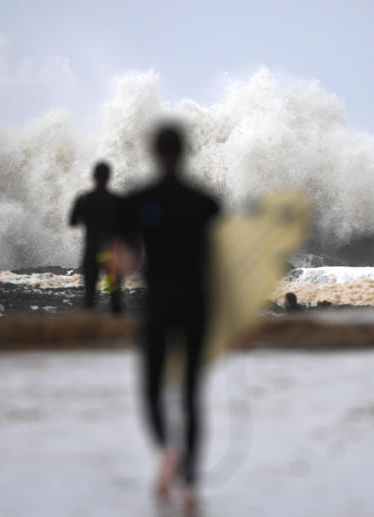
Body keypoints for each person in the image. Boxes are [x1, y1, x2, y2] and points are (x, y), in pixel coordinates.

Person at [123, 123, 220, 509]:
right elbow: (221, 262)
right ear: (185, 151)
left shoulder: (139, 200)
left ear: (155, 153)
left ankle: (166, 450)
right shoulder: (206, 202)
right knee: (193, 394)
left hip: (159, 305)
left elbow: (129, 260)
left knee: (151, 388)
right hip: (197, 305)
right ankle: (190, 483)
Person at [69, 161, 125, 314]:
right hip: (110, 254)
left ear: (93, 177)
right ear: (109, 177)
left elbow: (73, 222)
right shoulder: (117, 201)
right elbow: (126, 227)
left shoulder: (84, 199)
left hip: (92, 252)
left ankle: (90, 330)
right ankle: (116, 330)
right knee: (114, 294)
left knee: (90, 296)